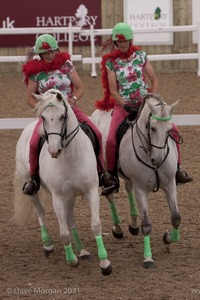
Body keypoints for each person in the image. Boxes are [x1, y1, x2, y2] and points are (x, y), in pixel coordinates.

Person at [95, 22, 193, 192]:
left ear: (130, 40)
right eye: (120, 42)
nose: (124, 44)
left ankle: (177, 169)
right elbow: (113, 90)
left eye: (126, 41)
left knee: (173, 129)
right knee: (111, 140)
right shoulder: (111, 62)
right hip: (123, 105)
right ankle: (112, 177)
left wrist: (151, 98)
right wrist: (125, 107)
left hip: (146, 102)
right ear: (116, 43)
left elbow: (154, 79)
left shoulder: (141, 55)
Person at [22, 33, 117, 196]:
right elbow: (29, 97)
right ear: (40, 54)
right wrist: (42, 109)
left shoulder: (66, 65)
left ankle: (101, 172)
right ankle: (34, 178)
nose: (50, 55)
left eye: (52, 51)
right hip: (50, 113)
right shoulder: (35, 72)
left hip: (71, 109)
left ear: (56, 50)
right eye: (46, 53)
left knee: (96, 133)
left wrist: (73, 98)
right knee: (33, 143)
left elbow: (80, 87)